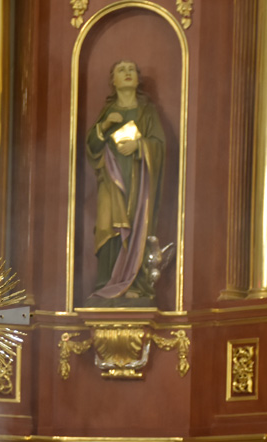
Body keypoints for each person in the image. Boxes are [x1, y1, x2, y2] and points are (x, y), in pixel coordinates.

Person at [85, 59, 166, 306]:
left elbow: (159, 145)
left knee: (137, 226)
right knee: (107, 226)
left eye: (131, 69)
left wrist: (139, 146)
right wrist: (104, 126)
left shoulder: (146, 111)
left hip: (138, 184)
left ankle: (135, 284)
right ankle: (107, 283)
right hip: (110, 183)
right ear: (113, 80)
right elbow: (92, 147)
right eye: (121, 70)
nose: (127, 73)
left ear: (138, 78)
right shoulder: (108, 112)